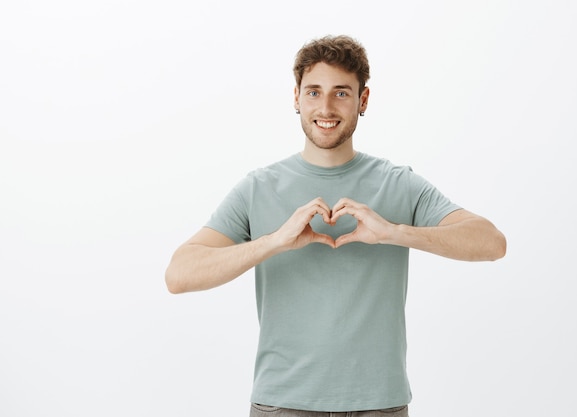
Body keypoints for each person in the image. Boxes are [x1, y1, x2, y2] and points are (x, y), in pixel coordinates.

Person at [165, 35, 506, 417]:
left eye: (341, 93)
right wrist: (274, 241)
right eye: (313, 92)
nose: (325, 107)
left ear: (363, 101)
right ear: (296, 97)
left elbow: (491, 242)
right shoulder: (258, 187)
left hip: (379, 404)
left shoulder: (398, 183)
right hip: (282, 403)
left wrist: (392, 232)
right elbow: (179, 274)